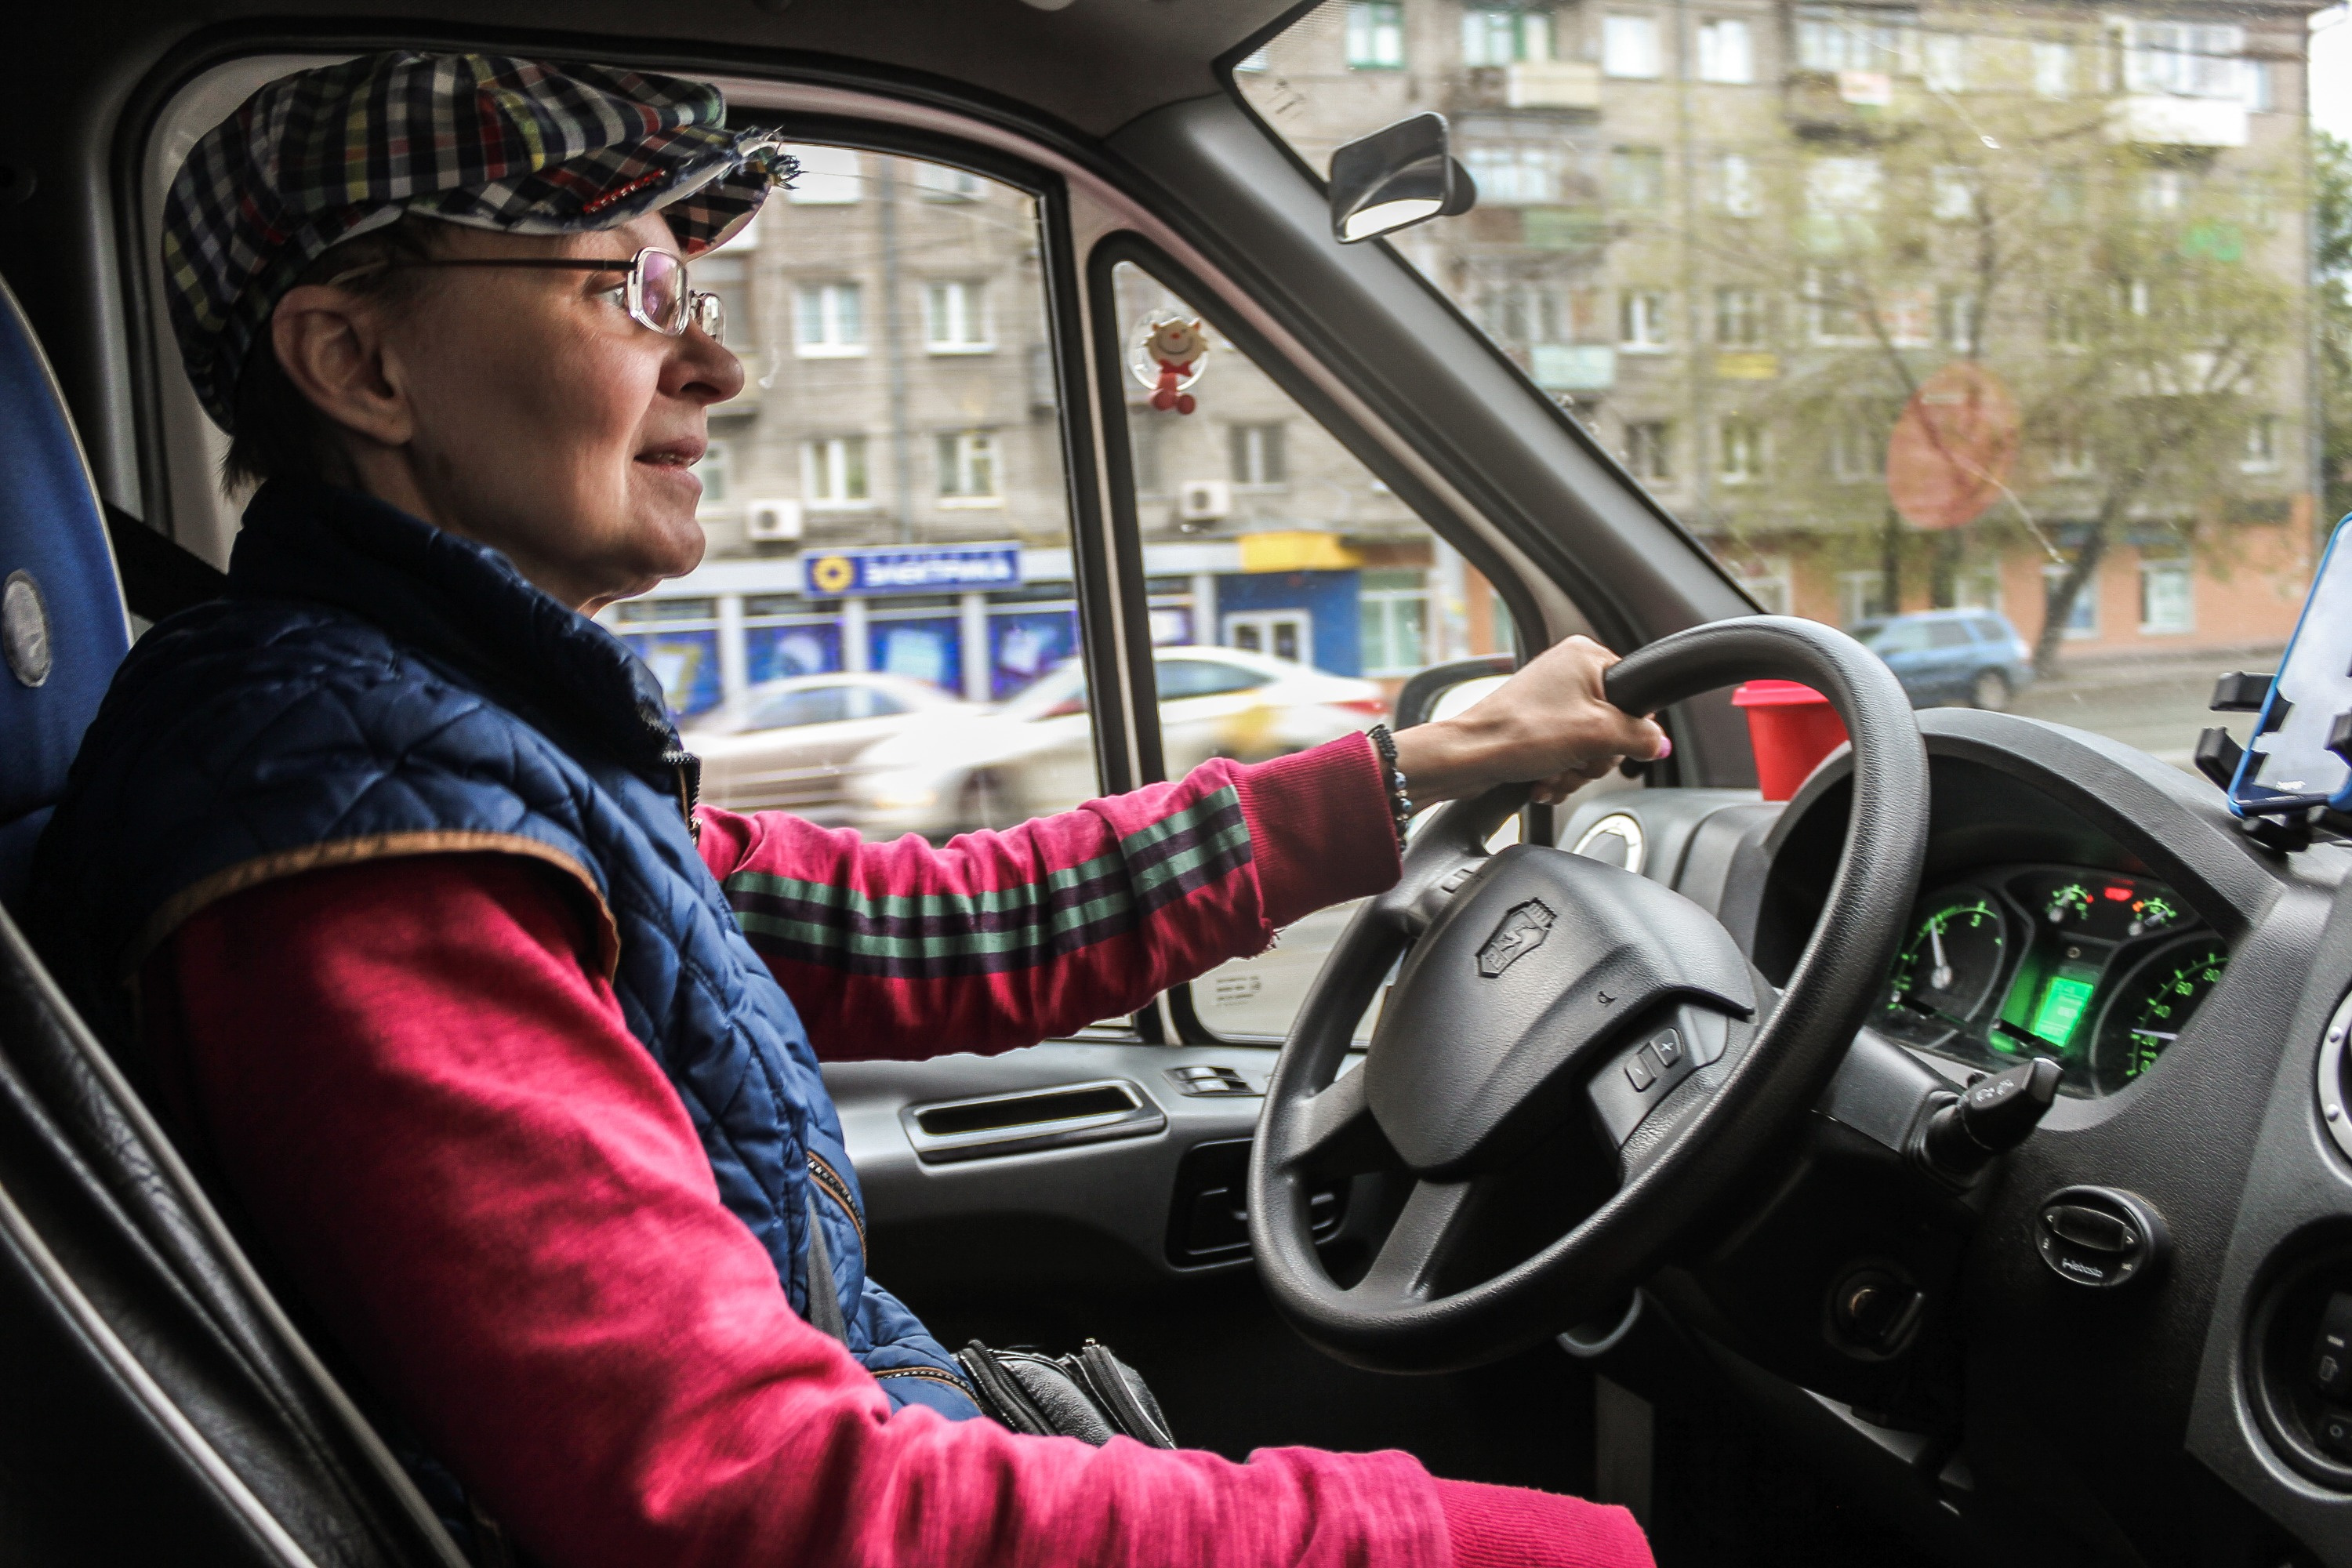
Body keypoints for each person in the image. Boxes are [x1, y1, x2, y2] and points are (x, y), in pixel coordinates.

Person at [32, 52, 1669, 1568]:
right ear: (359, 361)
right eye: (638, 283)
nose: (719, 362)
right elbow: (761, 1504)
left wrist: (1426, 765)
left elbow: (942, 925)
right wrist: (1494, 1547)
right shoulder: (361, 841)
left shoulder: (471, 750)